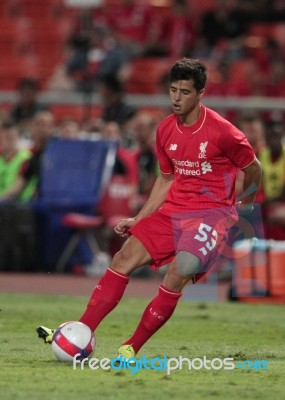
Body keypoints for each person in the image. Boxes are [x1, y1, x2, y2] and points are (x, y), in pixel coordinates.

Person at [37, 58, 262, 360]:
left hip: (210, 216)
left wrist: (242, 209)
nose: (176, 98)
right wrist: (139, 218)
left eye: (184, 92)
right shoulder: (165, 130)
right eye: (173, 91)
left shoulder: (224, 132)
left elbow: (254, 169)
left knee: (178, 271)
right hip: (172, 211)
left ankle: (131, 347)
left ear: (200, 94)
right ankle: (79, 332)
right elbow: (166, 178)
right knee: (122, 258)